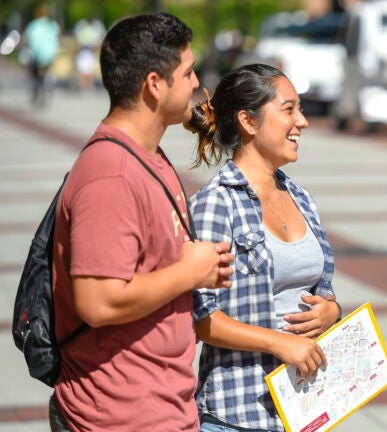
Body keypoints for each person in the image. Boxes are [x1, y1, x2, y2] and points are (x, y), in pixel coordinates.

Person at [51, 13, 234, 431]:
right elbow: (98, 302)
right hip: (117, 415)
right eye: (187, 73)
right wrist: (190, 271)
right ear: (154, 84)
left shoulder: (148, 155)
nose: (195, 84)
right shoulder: (111, 174)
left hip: (161, 406)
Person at [184, 63, 341, 432]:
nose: (302, 121)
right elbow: (200, 316)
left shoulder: (301, 197)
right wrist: (278, 343)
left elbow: (320, 287)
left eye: (299, 109)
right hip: (239, 413)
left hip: (306, 409)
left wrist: (330, 310)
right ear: (248, 122)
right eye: (289, 109)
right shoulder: (216, 204)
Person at [22, 4, 60, 106]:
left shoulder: (33, 25)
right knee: (46, 74)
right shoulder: (52, 25)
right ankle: (45, 89)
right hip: (49, 55)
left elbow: (27, 39)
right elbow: (57, 39)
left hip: (36, 55)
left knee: (34, 76)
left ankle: (37, 91)